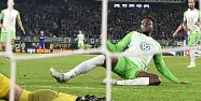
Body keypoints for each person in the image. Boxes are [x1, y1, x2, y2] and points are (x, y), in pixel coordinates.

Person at [50, 17, 186, 87]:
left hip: (136, 71)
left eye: (149, 24)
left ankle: (116, 83)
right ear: (141, 26)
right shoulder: (133, 34)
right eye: (144, 23)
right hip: (123, 62)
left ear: (152, 28)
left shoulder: (156, 45)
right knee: (102, 58)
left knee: (157, 80)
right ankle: (66, 76)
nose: (146, 25)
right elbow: (117, 49)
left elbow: (161, 67)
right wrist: (106, 41)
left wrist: (177, 81)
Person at [183, 0, 201, 68]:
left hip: (196, 31)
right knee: (191, 47)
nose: (190, 3)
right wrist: (185, 28)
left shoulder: (198, 12)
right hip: (190, 32)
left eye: (191, 2)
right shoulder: (186, 13)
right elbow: (184, 22)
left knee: (191, 47)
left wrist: (199, 25)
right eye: (189, 2)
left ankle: (193, 63)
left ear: (194, 3)